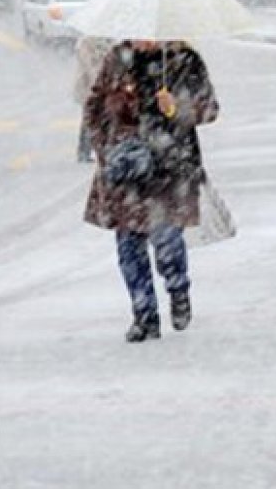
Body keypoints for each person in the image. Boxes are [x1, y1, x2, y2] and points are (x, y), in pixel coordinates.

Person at [83, 40, 219, 342]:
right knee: (129, 246)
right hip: (127, 171)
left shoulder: (184, 58)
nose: (144, 39)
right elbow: (93, 107)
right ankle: (144, 314)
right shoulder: (119, 58)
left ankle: (178, 289)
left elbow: (209, 109)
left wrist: (177, 109)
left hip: (170, 170)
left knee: (167, 238)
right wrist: (107, 148)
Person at [72, 35, 114, 162]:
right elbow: (92, 68)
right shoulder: (87, 44)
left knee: (102, 116)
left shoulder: (110, 41)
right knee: (89, 118)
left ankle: (100, 148)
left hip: (99, 86)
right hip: (88, 87)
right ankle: (84, 150)